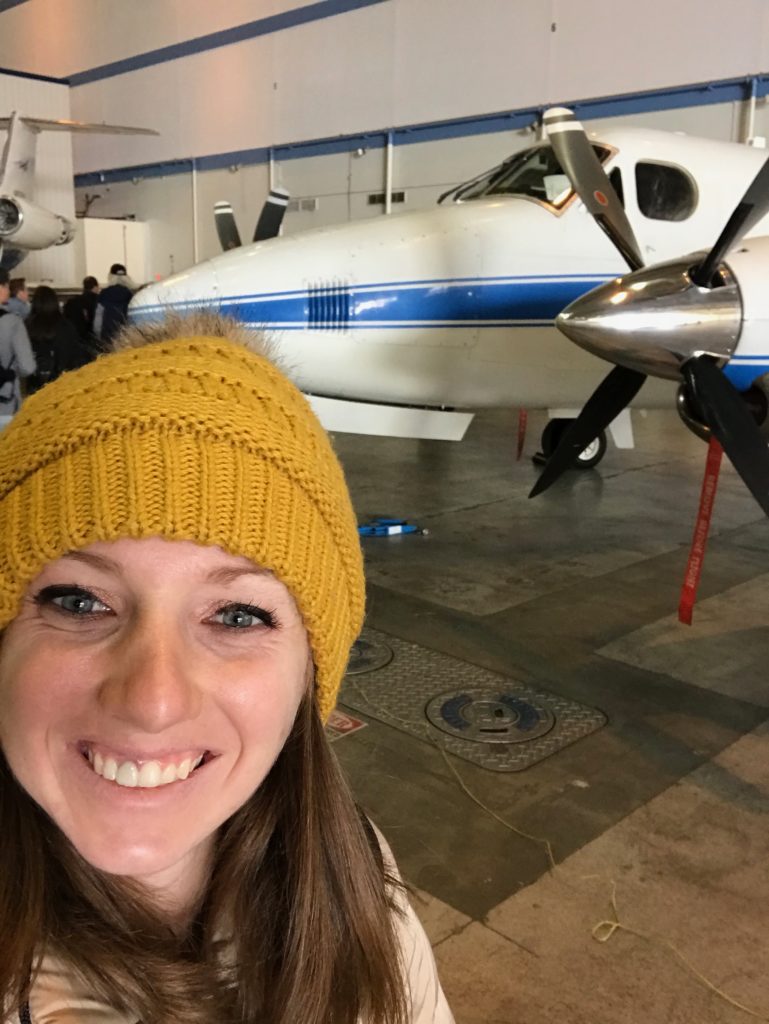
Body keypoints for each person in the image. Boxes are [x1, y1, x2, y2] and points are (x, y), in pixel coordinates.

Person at [0, 310, 454, 1024]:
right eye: (80, 601)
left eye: (238, 616)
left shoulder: (354, 865)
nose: (151, 700)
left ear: (311, 670)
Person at [25, 284, 92, 394]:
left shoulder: (27, 326)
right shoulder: (65, 326)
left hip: (35, 382)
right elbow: (74, 354)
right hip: (61, 383)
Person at [0, 267, 35, 414]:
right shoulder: (12, 321)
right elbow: (27, 367)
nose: (8, 291)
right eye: (6, 286)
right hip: (4, 400)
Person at [93, 262, 134, 346]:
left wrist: (98, 336)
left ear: (110, 276)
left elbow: (98, 318)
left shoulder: (104, 294)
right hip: (125, 337)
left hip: (107, 337)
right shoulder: (130, 294)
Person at [63, 275, 100, 349]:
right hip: (90, 340)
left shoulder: (73, 301)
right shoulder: (98, 301)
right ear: (95, 287)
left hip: (74, 339)